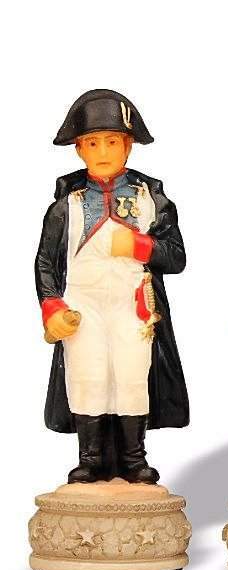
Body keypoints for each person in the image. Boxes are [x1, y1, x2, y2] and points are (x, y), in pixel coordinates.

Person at [35, 89, 189, 484]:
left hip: (132, 304)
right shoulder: (67, 205)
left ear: (128, 146)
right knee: (87, 374)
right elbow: (45, 262)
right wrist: (52, 307)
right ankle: (90, 458)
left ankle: (133, 458)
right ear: (79, 149)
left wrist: (140, 245)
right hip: (83, 305)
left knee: (132, 373)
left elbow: (175, 256)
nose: (102, 151)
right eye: (92, 143)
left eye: (112, 142)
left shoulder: (149, 199)